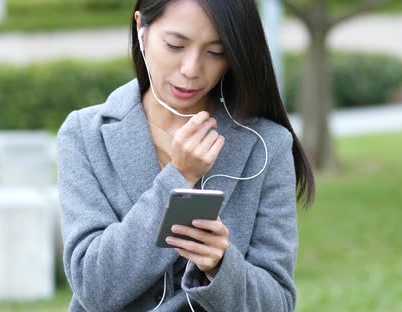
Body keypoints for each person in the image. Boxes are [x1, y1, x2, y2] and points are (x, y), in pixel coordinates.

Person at [56, 0, 315, 311]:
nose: (191, 70)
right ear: (141, 29)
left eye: (215, 52)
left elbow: (278, 303)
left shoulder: (266, 145)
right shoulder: (85, 134)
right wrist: (178, 177)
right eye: (175, 45)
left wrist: (220, 266)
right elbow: (94, 288)